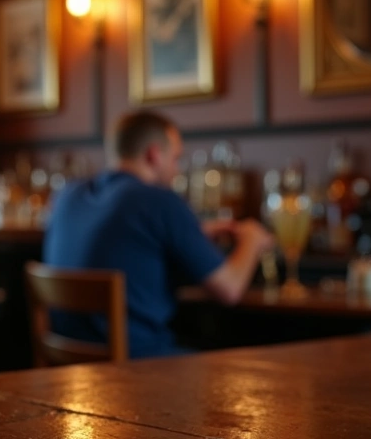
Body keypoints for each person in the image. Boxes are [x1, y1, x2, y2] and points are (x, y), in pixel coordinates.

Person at [43, 111, 274, 358]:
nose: (177, 170)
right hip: (138, 370)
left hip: (69, 371)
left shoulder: (67, 195)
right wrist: (253, 239)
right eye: (175, 158)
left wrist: (195, 234)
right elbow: (229, 290)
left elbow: (125, 243)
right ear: (154, 155)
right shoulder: (158, 200)